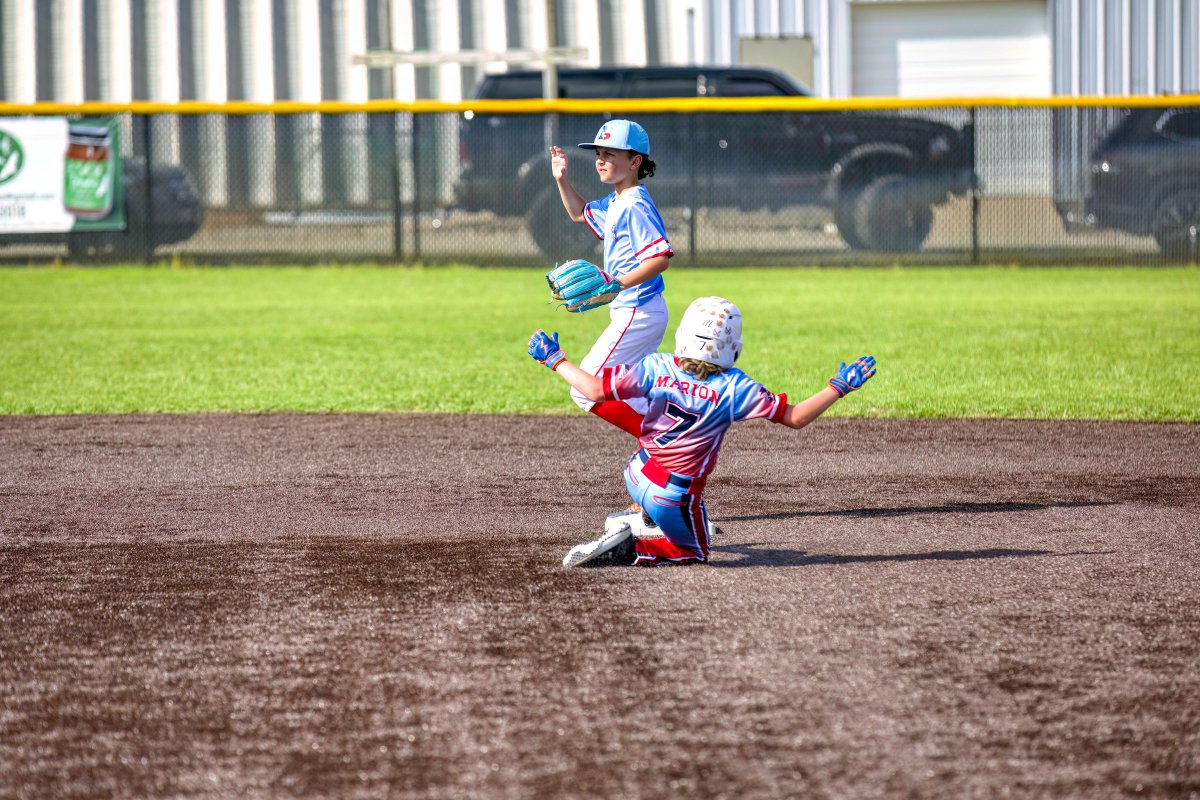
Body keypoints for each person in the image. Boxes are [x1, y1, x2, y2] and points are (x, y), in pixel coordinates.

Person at [527, 296, 877, 568]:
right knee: (694, 552)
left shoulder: (656, 365)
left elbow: (593, 390)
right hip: (674, 495)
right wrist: (838, 388)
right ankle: (629, 547)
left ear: (684, 335)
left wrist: (554, 359)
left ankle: (645, 515)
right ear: (733, 345)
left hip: (636, 472)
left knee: (677, 486)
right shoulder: (736, 387)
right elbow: (795, 417)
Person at [548, 119, 671, 439]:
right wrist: (562, 179)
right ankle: (680, 429)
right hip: (636, 311)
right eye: (598, 154)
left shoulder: (635, 204)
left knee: (586, 389)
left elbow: (659, 258)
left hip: (638, 312)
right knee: (630, 392)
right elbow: (580, 213)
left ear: (635, 161)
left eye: (610, 154)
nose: (600, 160)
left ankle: (661, 441)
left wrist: (618, 284)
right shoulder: (617, 201)